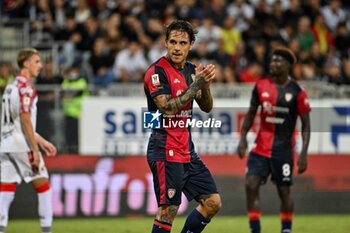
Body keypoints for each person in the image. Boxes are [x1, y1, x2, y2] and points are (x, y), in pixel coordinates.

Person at [144, 20, 222, 233]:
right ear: (166, 43)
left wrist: (204, 86)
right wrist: (195, 85)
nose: (177, 47)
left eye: (182, 43)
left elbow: (206, 107)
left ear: (191, 44)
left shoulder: (190, 70)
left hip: (187, 149)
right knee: (169, 209)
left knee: (213, 202)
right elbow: (168, 108)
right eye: (172, 42)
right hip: (164, 149)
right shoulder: (156, 72)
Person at [237, 47, 311, 233]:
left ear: (288, 65)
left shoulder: (297, 92)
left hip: (283, 150)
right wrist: (243, 138)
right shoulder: (261, 85)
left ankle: (286, 230)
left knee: (284, 191)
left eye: (278, 61)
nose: (273, 64)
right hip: (260, 148)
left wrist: (303, 154)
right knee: (250, 184)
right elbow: (251, 113)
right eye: (272, 60)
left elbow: (306, 125)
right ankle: (255, 230)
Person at [0, 48, 57, 233]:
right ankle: (47, 231)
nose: (40, 66)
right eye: (37, 61)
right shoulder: (26, 87)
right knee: (44, 186)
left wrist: (42, 142)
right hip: (21, 145)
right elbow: (25, 119)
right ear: (26, 63)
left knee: (6, 190)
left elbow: (18, 121)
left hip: (5, 145)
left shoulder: (10, 86)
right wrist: (34, 148)